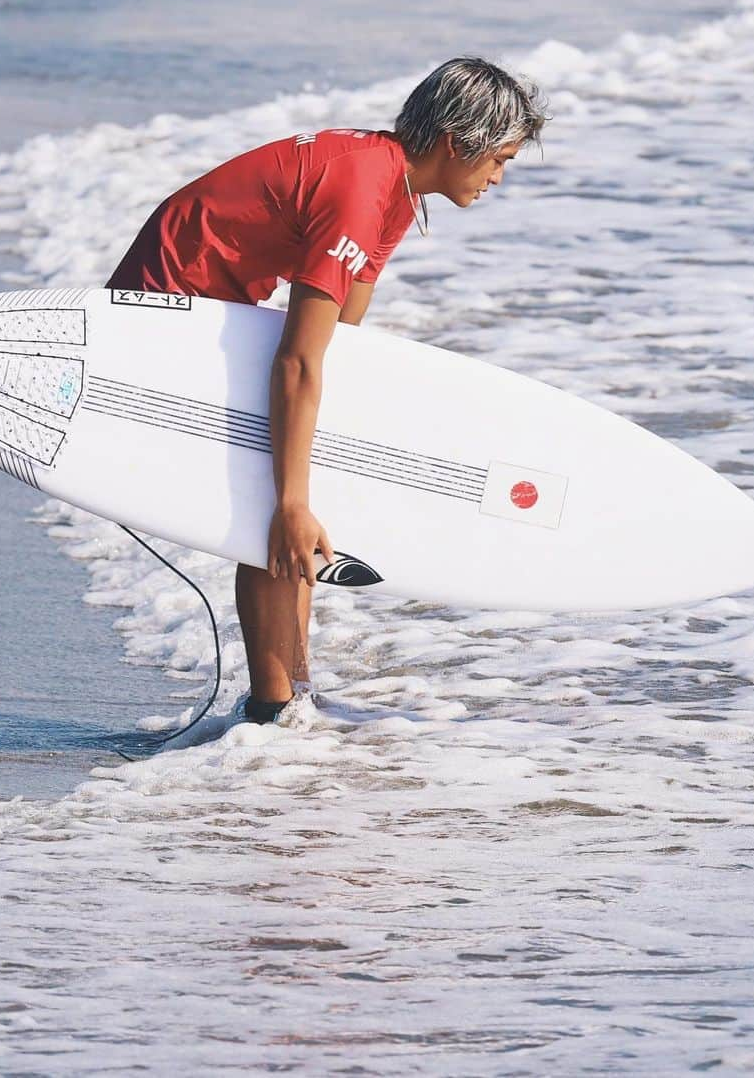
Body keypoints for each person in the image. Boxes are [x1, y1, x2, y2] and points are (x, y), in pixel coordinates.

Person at [105, 57, 548, 722]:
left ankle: (297, 692)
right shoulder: (362, 192)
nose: (498, 179)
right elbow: (296, 362)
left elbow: (344, 339)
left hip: (220, 302)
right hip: (166, 313)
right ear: (458, 144)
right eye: (499, 160)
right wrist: (290, 499)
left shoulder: (394, 185)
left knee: (297, 479)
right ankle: (273, 708)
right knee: (273, 506)